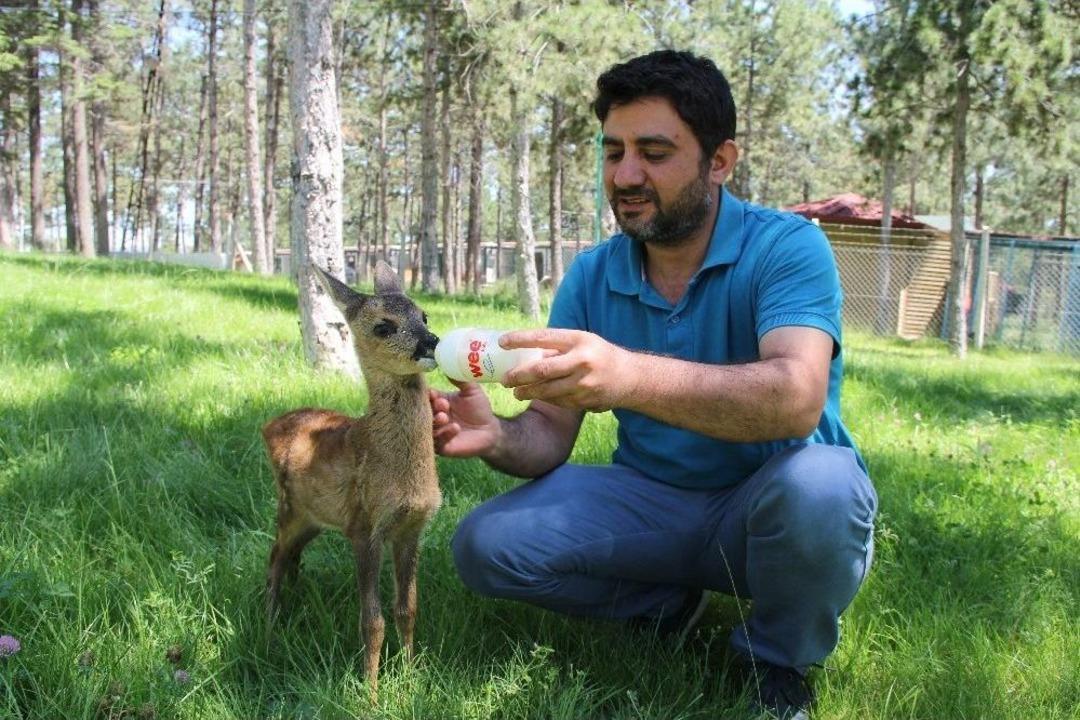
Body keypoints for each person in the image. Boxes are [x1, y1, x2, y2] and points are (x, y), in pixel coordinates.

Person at [429, 50, 877, 720]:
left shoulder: (787, 247)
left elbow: (795, 398)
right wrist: (497, 435)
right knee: (484, 547)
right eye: (613, 152)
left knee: (825, 484)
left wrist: (628, 375)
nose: (626, 175)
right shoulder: (591, 275)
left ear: (719, 161)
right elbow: (549, 433)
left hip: (768, 512)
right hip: (650, 502)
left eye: (654, 153)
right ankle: (664, 604)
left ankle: (778, 661)